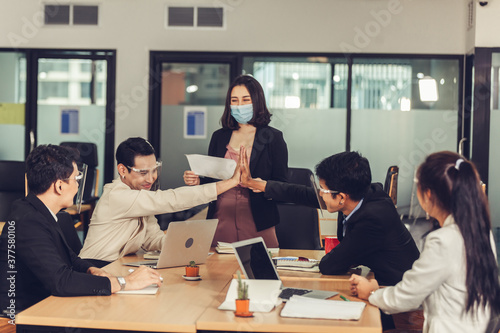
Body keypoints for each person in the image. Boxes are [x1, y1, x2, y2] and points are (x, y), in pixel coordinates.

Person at [240, 149, 419, 330]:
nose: (320, 194)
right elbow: (305, 194)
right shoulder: (362, 196)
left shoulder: (372, 218)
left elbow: (330, 266)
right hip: (379, 283)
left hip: (399, 300)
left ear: (341, 197)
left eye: (324, 190)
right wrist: (259, 184)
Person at [0, 145, 162, 317]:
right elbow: (61, 281)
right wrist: (124, 282)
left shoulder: (41, 212)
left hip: (45, 305)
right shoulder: (28, 221)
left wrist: (92, 269)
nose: (78, 186)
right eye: (76, 178)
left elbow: (70, 258)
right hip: (23, 316)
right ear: (59, 186)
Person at [349, 151, 500, 333]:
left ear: (427, 194)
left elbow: (407, 297)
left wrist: (372, 293)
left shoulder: (443, 240)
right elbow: (429, 287)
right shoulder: (480, 233)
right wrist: (379, 289)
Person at [79, 137, 240, 264]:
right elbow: (170, 200)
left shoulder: (139, 194)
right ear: (122, 170)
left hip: (116, 267)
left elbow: (152, 240)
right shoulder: (117, 196)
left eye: (154, 170)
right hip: (95, 268)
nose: (151, 178)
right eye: (143, 172)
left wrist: (188, 243)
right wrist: (231, 182)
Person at [183, 75, 288, 247]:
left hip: (258, 218)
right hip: (221, 216)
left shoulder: (273, 137)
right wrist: (198, 180)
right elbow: (212, 177)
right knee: (218, 269)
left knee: (259, 270)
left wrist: (262, 185)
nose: (239, 106)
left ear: (257, 101)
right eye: (234, 100)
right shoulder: (219, 136)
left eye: (245, 100)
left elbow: (282, 185)